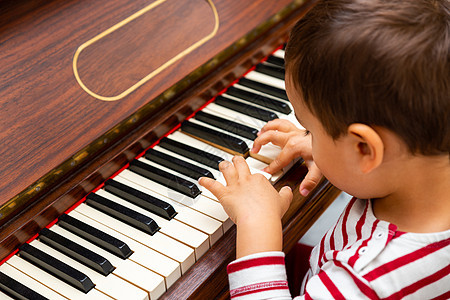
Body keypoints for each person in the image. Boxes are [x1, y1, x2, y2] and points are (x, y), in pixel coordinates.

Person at [199, 0, 450, 298]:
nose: (308, 138)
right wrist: (333, 151)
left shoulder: (364, 280)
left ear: (365, 150)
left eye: (310, 130)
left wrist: (258, 223)